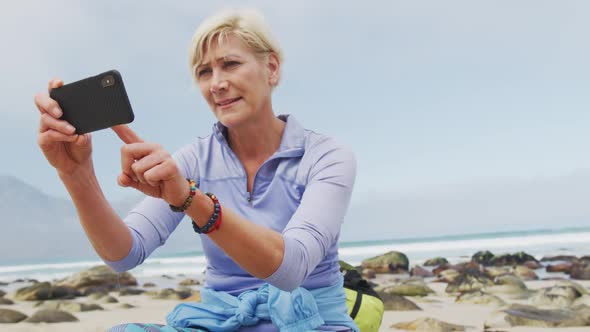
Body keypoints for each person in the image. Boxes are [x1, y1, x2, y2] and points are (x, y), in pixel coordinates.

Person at [34, 8, 358, 332]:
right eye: (204, 72)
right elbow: (124, 253)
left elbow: (291, 268)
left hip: (311, 324)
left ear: (271, 68)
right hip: (220, 324)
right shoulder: (194, 160)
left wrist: (191, 199)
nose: (216, 84)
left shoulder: (326, 157)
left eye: (230, 64)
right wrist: (75, 174)